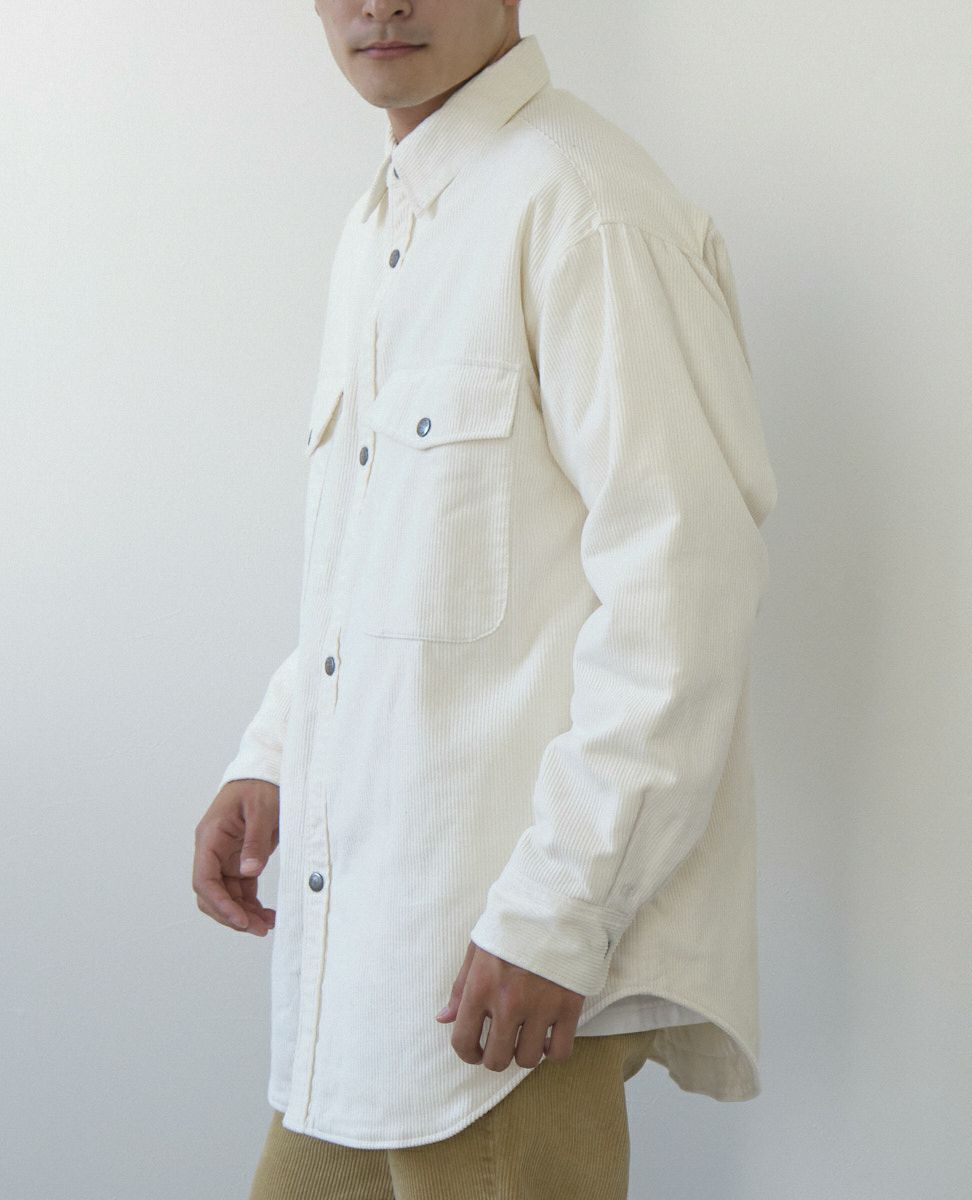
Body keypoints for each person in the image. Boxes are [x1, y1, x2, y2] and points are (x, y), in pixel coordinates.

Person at [192, 2, 778, 1197]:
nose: (381, 2)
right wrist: (276, 754)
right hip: (362, 977)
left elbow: (682, 597)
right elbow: (376, 562)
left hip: (500, 991)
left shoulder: (586, 208)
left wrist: (555, 914)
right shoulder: (384, 224)